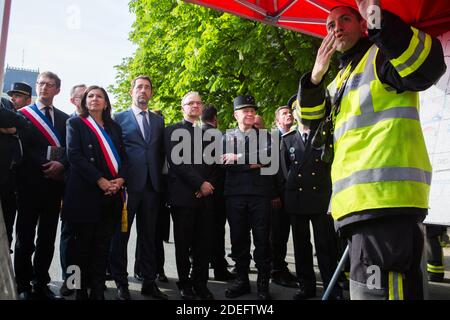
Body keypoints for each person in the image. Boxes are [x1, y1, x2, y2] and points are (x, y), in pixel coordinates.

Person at [297, 0, 446, 300]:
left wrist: (377, 16)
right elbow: (311, 124)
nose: (335, 28)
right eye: (329, 25)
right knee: (371, 293)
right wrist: (314, 78)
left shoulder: (380, 55)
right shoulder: (341, 76)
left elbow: (428, 68)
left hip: (386, 204)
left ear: (363, 24)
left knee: (385, 295)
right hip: (359, 209)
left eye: (344, 20)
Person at [62, 86, 126, 300]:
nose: (94, 99)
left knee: (101, 247)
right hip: (84, 194)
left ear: (106, 103)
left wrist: (121, 179)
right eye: (90, 96)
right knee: (79, 248)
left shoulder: (114, 128)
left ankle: (97, 290)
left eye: (99, 96)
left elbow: (124, 158)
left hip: (110, 195)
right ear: (84, 101)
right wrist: (100, 180)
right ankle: (79, 290)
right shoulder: (75, 123)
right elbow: (74, 155)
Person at [110, 76, 167, 300]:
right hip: (127, 188)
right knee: (121, 236)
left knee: (149, 236)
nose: (143, 91)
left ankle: (149, 281)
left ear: (151, 93)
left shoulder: (158, 121)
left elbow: (160, 153)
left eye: (147, 88)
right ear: (131, 91)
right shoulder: (118, 119)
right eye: (139, 87)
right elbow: (114, 153)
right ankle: (121, 283)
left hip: (152, 188)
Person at [281, 96, 342, 300]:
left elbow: (335, 167)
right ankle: (306, 287)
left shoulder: (325, 136)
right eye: (298, 109)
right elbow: (283, 172)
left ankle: (332, 288)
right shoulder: (287, 139)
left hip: (320, 198)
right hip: (296, 200)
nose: (301, 112)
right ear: (295, 113)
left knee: (326, 247)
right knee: (301, 247)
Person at [14, 71, 69, 300]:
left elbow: (70, 149)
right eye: (40, 83)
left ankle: (41, 282)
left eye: (49, 84)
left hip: (54, 187)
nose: (44, 87)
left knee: (47, 238)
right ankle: (23, 284)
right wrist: (48, 165)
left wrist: (62, 165)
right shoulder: (22, 115)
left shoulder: (65, 119)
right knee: (25, 238)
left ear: (57, 89)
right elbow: (20, 149)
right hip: (29, 185)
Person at [164, 91, 216, 300]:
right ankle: (184, 283)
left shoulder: (209, 134)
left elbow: (215, 163)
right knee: (183, 244)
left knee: (204, 243)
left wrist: (207, 185)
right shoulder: (171, 130)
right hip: (183, 196)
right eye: (190, 103)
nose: (195, 106)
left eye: (198, 103)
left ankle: (201, 283)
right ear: (182, 107)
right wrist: (200, 183)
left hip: (205, 196)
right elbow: (177, 163)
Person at [222, 95, 274, 300]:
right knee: (238, 240)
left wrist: (239, 158)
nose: (250, 113)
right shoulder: (225, 137)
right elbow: (224, 162)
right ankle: (242, 281)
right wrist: (254, 162)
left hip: (260, 196)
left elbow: (269, 158)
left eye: (252, 110)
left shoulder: (266, 136)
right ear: (236, 115)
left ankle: (263, 284)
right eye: (245, 111)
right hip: (235, 196)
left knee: (262, 241)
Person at [59, 83, 88, 297]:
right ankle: (71, 280)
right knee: (70, 238)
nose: (86, 99)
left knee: (89, 238)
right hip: (69, 187)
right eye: (82, 96)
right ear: (72, 100)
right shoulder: (65, 122)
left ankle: (87, 279)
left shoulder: (101, 124)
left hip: (95, 189)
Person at [201, 105, 235, 281]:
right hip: (218, 191)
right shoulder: (220, 136)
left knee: (201, 231)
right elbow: (221, 164)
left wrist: (201, 185)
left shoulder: (194, 134)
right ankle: (219, 268)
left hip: (199, 191)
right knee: (217, 231)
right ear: (215, 119)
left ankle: (201, 267)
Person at [269, 105, 298, 288]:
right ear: (277, 120)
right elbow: (270, 168)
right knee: (276, 235)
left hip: (290, 194)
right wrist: (273, 194)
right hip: (276, 196)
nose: (289, 115)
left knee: (283, 234)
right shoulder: (273, 138)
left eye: (290, 113)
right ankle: (276, 271)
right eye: (284, 114)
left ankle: (281, 267)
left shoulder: (293, 138)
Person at [0, 98, 27, 254]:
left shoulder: (5, 102)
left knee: (6, 230)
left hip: (8, 181)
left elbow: (22, 122)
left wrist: (14, 129)